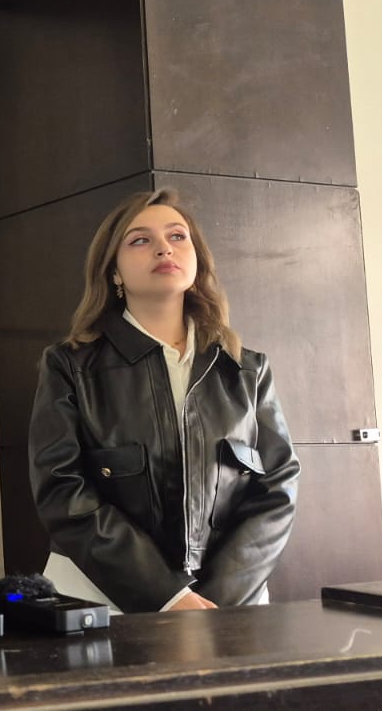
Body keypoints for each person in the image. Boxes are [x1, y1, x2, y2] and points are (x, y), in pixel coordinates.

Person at [27, 188, 299, 613]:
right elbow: (63, 492)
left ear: (197, 259)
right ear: (113, 271)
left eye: (177, 236)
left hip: (228, 604)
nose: (164, 248)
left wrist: (215, 602)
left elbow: (277, 488)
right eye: (140, 240)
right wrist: (169, 596)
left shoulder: (246, 369)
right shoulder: (69, 365)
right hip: (101, 597)